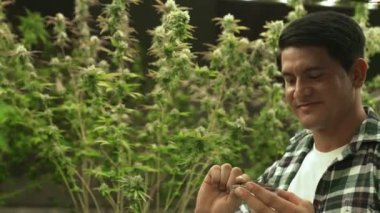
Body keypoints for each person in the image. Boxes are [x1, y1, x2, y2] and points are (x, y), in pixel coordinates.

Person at [195, 11, 380, 212]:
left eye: (314, 76)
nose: (299, 92)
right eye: (290, 80)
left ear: (357, 74)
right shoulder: (289, 160)